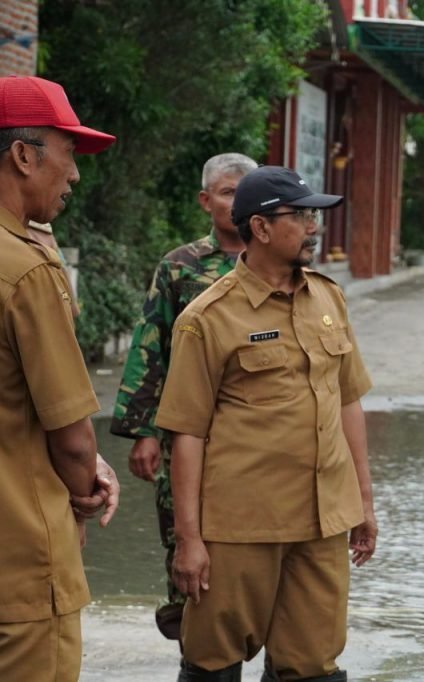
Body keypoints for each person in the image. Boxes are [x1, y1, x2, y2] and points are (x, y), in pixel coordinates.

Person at [155, 166, 378, 681]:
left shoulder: (328, 298)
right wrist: (189, 541)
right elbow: (187, 434)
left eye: (313, 215)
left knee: (313, 665)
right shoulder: (207, 318)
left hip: (322, 524)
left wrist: (363, 502)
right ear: (260, 228)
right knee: (213, 660)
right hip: (240, 528)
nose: (313, 227)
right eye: (300, 216)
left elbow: (348, 402)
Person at [0, 75, 120, 681]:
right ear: (23, 156)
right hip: (18, 564)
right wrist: (87, 488)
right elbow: (74, 437)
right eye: (69, 153)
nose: (75, 175)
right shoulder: (22, 270)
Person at [110, 152, 256, 640]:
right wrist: (145, 431)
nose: (237, 204)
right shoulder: (180, 266)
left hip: (255, 433)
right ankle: (193, 636)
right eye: (228, 192)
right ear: (205, 200)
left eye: (245, 192)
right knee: (183, 533)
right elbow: (150, 344)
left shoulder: (274, 259)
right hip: (185, 427)